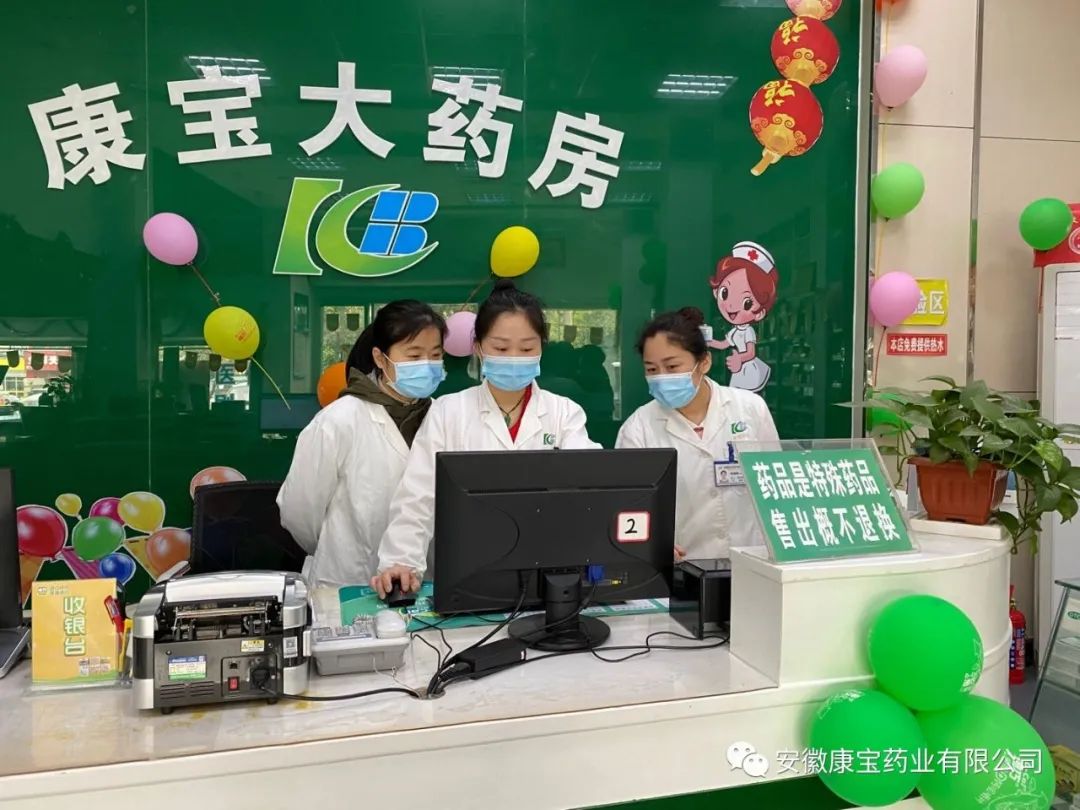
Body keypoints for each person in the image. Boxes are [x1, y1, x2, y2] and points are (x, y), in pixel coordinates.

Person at [372, 279, 599, 596]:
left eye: (527, 348)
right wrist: (401, 561)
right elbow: (418, 497)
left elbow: (592, 489)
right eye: (501, 348)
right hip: (465, 574)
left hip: (548, 573)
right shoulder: (448, 412)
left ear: (541, 349)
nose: (514, 357)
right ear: (478, 348)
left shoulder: (564, 414)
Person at [278, 301, 447, 587]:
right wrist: (340, 547)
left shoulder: (443, 416)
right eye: (414, 355)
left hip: (425, 582)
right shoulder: (338, 421)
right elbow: (299, 512)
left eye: (435, 355)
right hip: (348, 581)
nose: (427, 365)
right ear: (380, 358)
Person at [616, 307, 779, 560]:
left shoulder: (749, 408)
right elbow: (628, 507)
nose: (661, 378)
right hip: (682, 565)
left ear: (704, 362)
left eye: (672, 366)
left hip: (752, 561)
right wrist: (651, 541)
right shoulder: (638, 428)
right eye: (652, 369)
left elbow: (775, 484)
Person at [707, 241, 780, 393]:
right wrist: (707, 341)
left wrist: (739, 359)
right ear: (716, 292)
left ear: (759, 313)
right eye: (725, 293)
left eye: (747, 303)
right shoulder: (735, 331)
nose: (731, 306)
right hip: (738, 368)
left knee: (746, 397)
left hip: (748, 368)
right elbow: (723, 344)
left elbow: (751, 353)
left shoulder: (748, 331)